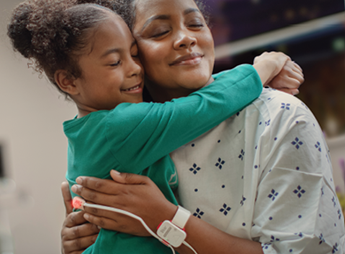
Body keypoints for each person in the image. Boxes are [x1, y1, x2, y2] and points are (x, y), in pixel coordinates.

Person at [7, 0, 299, 254]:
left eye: (134, 55)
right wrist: (264, 67)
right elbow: (206, 107)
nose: (134, 68)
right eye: (114, 62)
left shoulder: (89, 130)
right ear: (68, 82)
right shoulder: (118, 127)